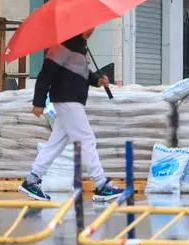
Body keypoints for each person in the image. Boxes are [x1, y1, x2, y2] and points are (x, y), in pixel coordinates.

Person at [19, 28, 123, 202]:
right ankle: (101, 184)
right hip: (67, 100)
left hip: (71, 100)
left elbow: (81, 73)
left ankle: (32, 180)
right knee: (87, 139)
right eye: (90, 27)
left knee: (56, 143)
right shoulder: (62, 47)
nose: (92, 30)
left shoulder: (80, 47)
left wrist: (97, 80)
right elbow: (46, 75)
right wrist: (38, 102)